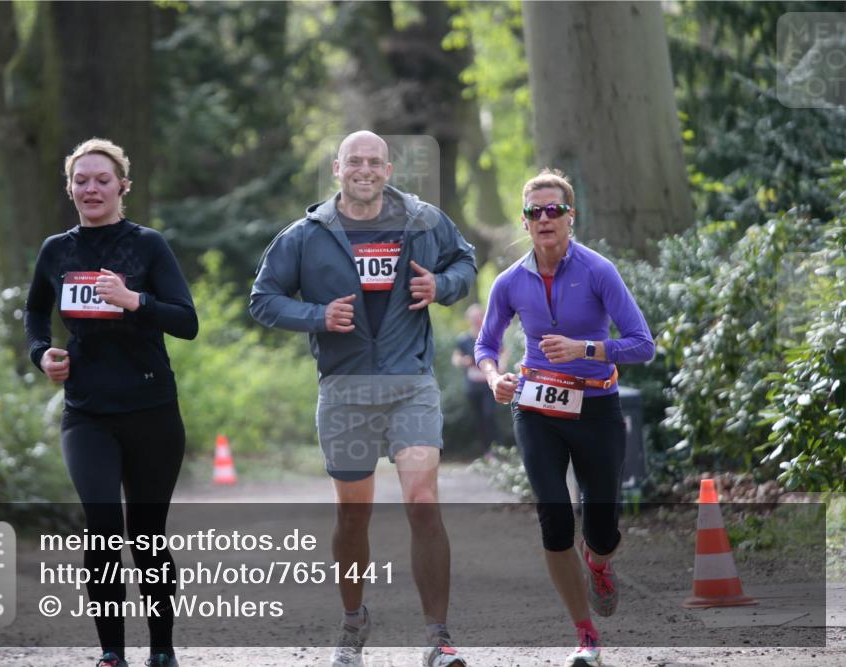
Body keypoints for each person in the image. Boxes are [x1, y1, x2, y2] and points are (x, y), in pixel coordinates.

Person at [250, 131, 476, 667]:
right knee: (354, 516)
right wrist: (317, 316)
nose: (365, 170)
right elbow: (263, 300)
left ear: (388, 169)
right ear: (337, 169)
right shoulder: (306, 235)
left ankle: (438, 640)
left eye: (374, 161)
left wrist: (440, 288)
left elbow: (464, 262)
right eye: (355, 161)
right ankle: (353, 622)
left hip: (410, 383)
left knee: (422, 502)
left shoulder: (423, 220)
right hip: (344, 388)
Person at [25, 138, 198, 667]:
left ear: (123, 185)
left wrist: (135, 301)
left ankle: (162, 650)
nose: (91, 188)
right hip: (87, 413)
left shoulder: (148, 246)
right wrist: (42, 355)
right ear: (70, 188)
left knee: (146, 537)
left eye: (102, 179)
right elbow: (34, 315)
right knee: (101, 525)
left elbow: (186, 322)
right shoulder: (57, 250)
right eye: (82, 180)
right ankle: (110, 653)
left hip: (151, 410)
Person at [473, 169, 654, 667]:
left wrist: (587, 348)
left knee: (602, 528)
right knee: (554, 520)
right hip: (536, 408)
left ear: (571, 217)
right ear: (525, 221)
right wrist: (495, 379)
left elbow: (643, 344)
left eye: (554, 210)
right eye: (535, 212)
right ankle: (586, 635)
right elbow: (486, 345)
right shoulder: (510, 282)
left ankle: (598, 561)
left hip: (596, 405)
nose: (545, 219)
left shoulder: (598, 271)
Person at [451, 304, 504, 455]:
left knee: (490, 415)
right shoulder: (463, 339)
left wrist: (500, 366)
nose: (476, 320)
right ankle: (486, 452)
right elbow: (455, 358)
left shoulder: (490, 336)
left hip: (489, 384)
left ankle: (498, 450)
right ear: (468, 319)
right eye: (473, 317)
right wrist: (463, 361)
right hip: (472, 385)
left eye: (478, 316)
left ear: (483, 317)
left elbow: (504, 352)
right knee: (479, 418)